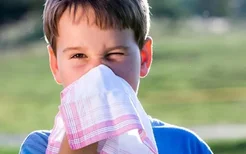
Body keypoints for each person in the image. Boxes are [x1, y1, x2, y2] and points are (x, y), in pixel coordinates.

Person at [19, 0, 213, 153]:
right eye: (78, 56)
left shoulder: (185, 146)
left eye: (114, 55)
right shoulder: (39, 147)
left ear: (144, 58)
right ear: (56, 65)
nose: (98, 75)